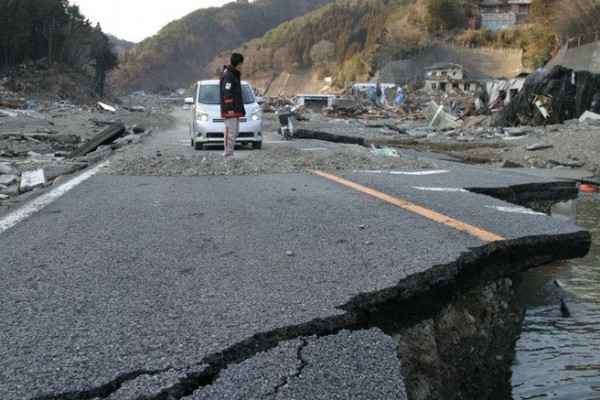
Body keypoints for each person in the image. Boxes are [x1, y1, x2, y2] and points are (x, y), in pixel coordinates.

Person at [220, 53, 246, 157]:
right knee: (230, 132)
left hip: (235, 108)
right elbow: (227, 92)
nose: (242, 65)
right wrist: (230, 108)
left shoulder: (233, 75)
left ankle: (229, 152)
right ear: (239, 63)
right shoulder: (229, 76)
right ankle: (227, 153)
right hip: (231, 109)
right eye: (241, 63)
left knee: (234, 132)